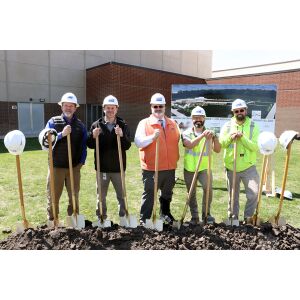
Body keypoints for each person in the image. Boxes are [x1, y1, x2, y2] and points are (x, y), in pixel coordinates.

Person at [134, 93, 180, 225]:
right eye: (156, 106)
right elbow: (138, 142)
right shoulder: (144, 123)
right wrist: (152, 138)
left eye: (161, 106)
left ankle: (165, 214)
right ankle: (145, 219)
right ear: (151, 107)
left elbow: (178, 140)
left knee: (167, 194)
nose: (158, 108)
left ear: (165, 107)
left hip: (169, 167)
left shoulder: (172, 123)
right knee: (149, 194)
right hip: (151, 168)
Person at [43, 92, 87, 222]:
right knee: (53, 196)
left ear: (75, 107)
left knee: (74, 196)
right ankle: (53, 220)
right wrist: (62, 134)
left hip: (74, 167)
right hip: (56, 166)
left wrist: (81, 163)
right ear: (61, 107)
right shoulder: (53, 122)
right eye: (66, 105)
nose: (68, 108)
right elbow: (46, 142)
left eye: (71, 106)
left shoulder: (80, 126)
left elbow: (84, 146)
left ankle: (73, 219)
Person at [86, 95, 131, 221]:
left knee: (122, 196)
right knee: (101, 196)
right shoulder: (96, 125)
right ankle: (101, 218)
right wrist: (92, 137)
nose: (110, 110)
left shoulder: (123, 124)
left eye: (112, 108)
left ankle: (123, 217)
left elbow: (127, 146)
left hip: (118, 168)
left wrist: (122, 135)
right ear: (103, 109)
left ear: (117, 109)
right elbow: (89, 145)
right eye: (108, 108)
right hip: (102, 168)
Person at [219, 99, 260, 221]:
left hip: (249, 167)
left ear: (246, 110)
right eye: (236, 111)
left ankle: (248, 217)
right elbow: (221, 144)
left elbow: (255, 146)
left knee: (254, 193)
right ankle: (233, 219)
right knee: (233, 196)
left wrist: (242, 138)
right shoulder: (227, 126)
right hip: (232, 167)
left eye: (241, 110)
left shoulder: (253, 126)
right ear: (233, 112)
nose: (239, 112)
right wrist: (230, 138)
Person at [182, 106, 221, 224]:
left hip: (205, 168)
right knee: (191, 193)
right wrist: (203, 135)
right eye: (195, 117)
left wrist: (215, 138)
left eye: (200, 117)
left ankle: (206, 214)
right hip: (189, 168)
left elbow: (218, 150)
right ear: (191, 119)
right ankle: (194, 217)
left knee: (208, 189)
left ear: (204, 118)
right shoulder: (186, 133)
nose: (198, 119)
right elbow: (189, 145)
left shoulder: (211, 133)